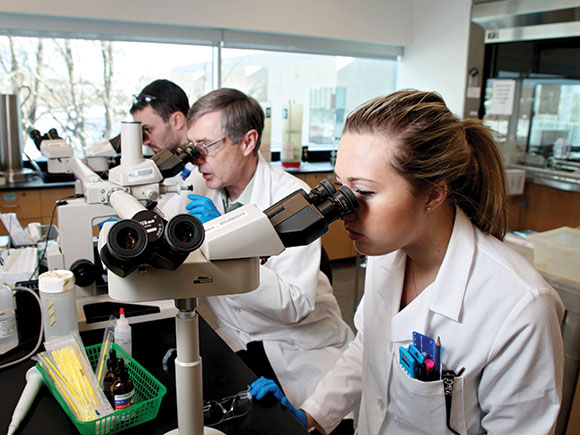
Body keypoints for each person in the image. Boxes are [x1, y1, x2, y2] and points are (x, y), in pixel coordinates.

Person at [251, 90, 565, 434]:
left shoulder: (519, 307)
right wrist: (311, 414)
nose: (344, 209)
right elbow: (369, 347)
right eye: (341, 186)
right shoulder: (387, 256)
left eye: (365, 192)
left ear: (433, 194)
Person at [166, 88, 355, 429]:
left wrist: (227, 238)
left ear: (248, 141)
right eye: (191, 148)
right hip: (240, 341)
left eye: (205, 147)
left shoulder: (291, 200)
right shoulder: (201, 184)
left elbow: (294, 304)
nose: (196, 159)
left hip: (299, 348)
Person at [130, 79, 191, 209]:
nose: (144, 141)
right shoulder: (173, 162)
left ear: (177, 121)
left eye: (148, 130)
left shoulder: (204, 167)